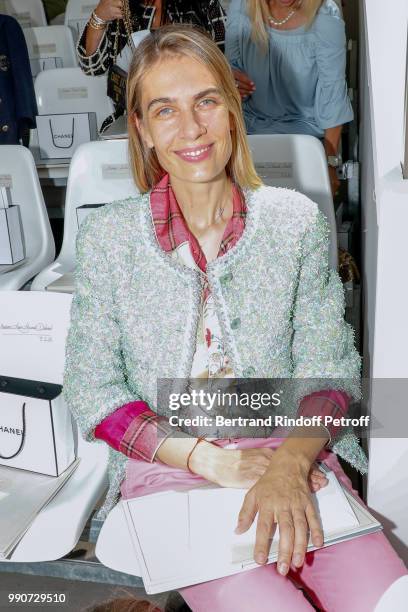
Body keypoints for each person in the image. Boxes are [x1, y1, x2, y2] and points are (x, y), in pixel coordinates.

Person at [64, 25, 407, 612]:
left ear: (231, 108)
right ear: (142, 131)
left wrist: (290, 468)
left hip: (293, 451)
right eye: (164, 110)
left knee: (389, 600)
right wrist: (212, 459)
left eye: (205, 101)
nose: (191, 128)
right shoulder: (108, 236)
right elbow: (92, 387)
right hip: (173, 465)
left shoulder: (294, 222)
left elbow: (331, 372)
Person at [226, 0, 352, 195]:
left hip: (307, 136)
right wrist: (231, 83)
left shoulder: (325, 17)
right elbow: (230, 71)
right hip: (250, 131)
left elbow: (333, 96)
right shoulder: (241, 7)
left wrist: (329, 162)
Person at [77, 0, 226, 132]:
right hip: (135, 121)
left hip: (196, 115)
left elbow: (224, 63)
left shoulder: (204, 4)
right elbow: (92, 67)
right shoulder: (122, 6)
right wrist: (99, 17)